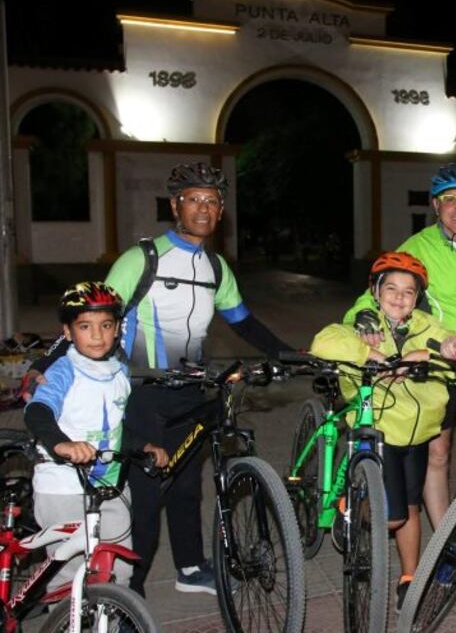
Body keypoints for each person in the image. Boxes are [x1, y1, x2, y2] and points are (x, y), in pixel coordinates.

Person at [31, 163, 292, 596]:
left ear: (221, 210)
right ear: (175, 206)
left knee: (187, 486)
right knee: (147, 499)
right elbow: (93, 314)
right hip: (143, 392)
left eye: (212, 201)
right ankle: (127, 595)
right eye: (194, 199)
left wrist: (289, 354)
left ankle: (189, 568)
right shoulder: (143, 259)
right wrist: (46, 363)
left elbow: (244, 322)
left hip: (191, 391)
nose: (203, 209)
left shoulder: (216, 267)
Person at [343, 163, 456, 537]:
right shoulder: (417, 246)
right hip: (440, 364)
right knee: (438, 454)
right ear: (435, 205)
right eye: (450, 200)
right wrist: (363, 314)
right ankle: (444, 540)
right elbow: (377, 290)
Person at [311, 251, 456, 612]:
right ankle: (352, 505)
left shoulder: (426, 325)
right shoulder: (365, 325)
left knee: (411, 508)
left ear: (417, 298)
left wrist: (435, 351)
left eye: (409, 291)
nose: (399, 297)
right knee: (393, 516)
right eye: (391, 288)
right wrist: (371, 356)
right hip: (379, 429)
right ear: (376, 291)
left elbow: (452, 348)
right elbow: (324, 341)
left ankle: (409, 577)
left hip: (418, 432)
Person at [24, 282, 168, 590]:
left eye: (106, 325)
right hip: (63, 488)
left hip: (111, 487)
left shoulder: (119, 373)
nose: (97, 335)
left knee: (119, 572)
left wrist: (143, 445)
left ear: (117, 329)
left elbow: (113, 428)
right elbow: (37, 412)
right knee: (68, 577)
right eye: (85, 326)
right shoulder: (63, 371)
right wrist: (61, 443)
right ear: (67, 332)